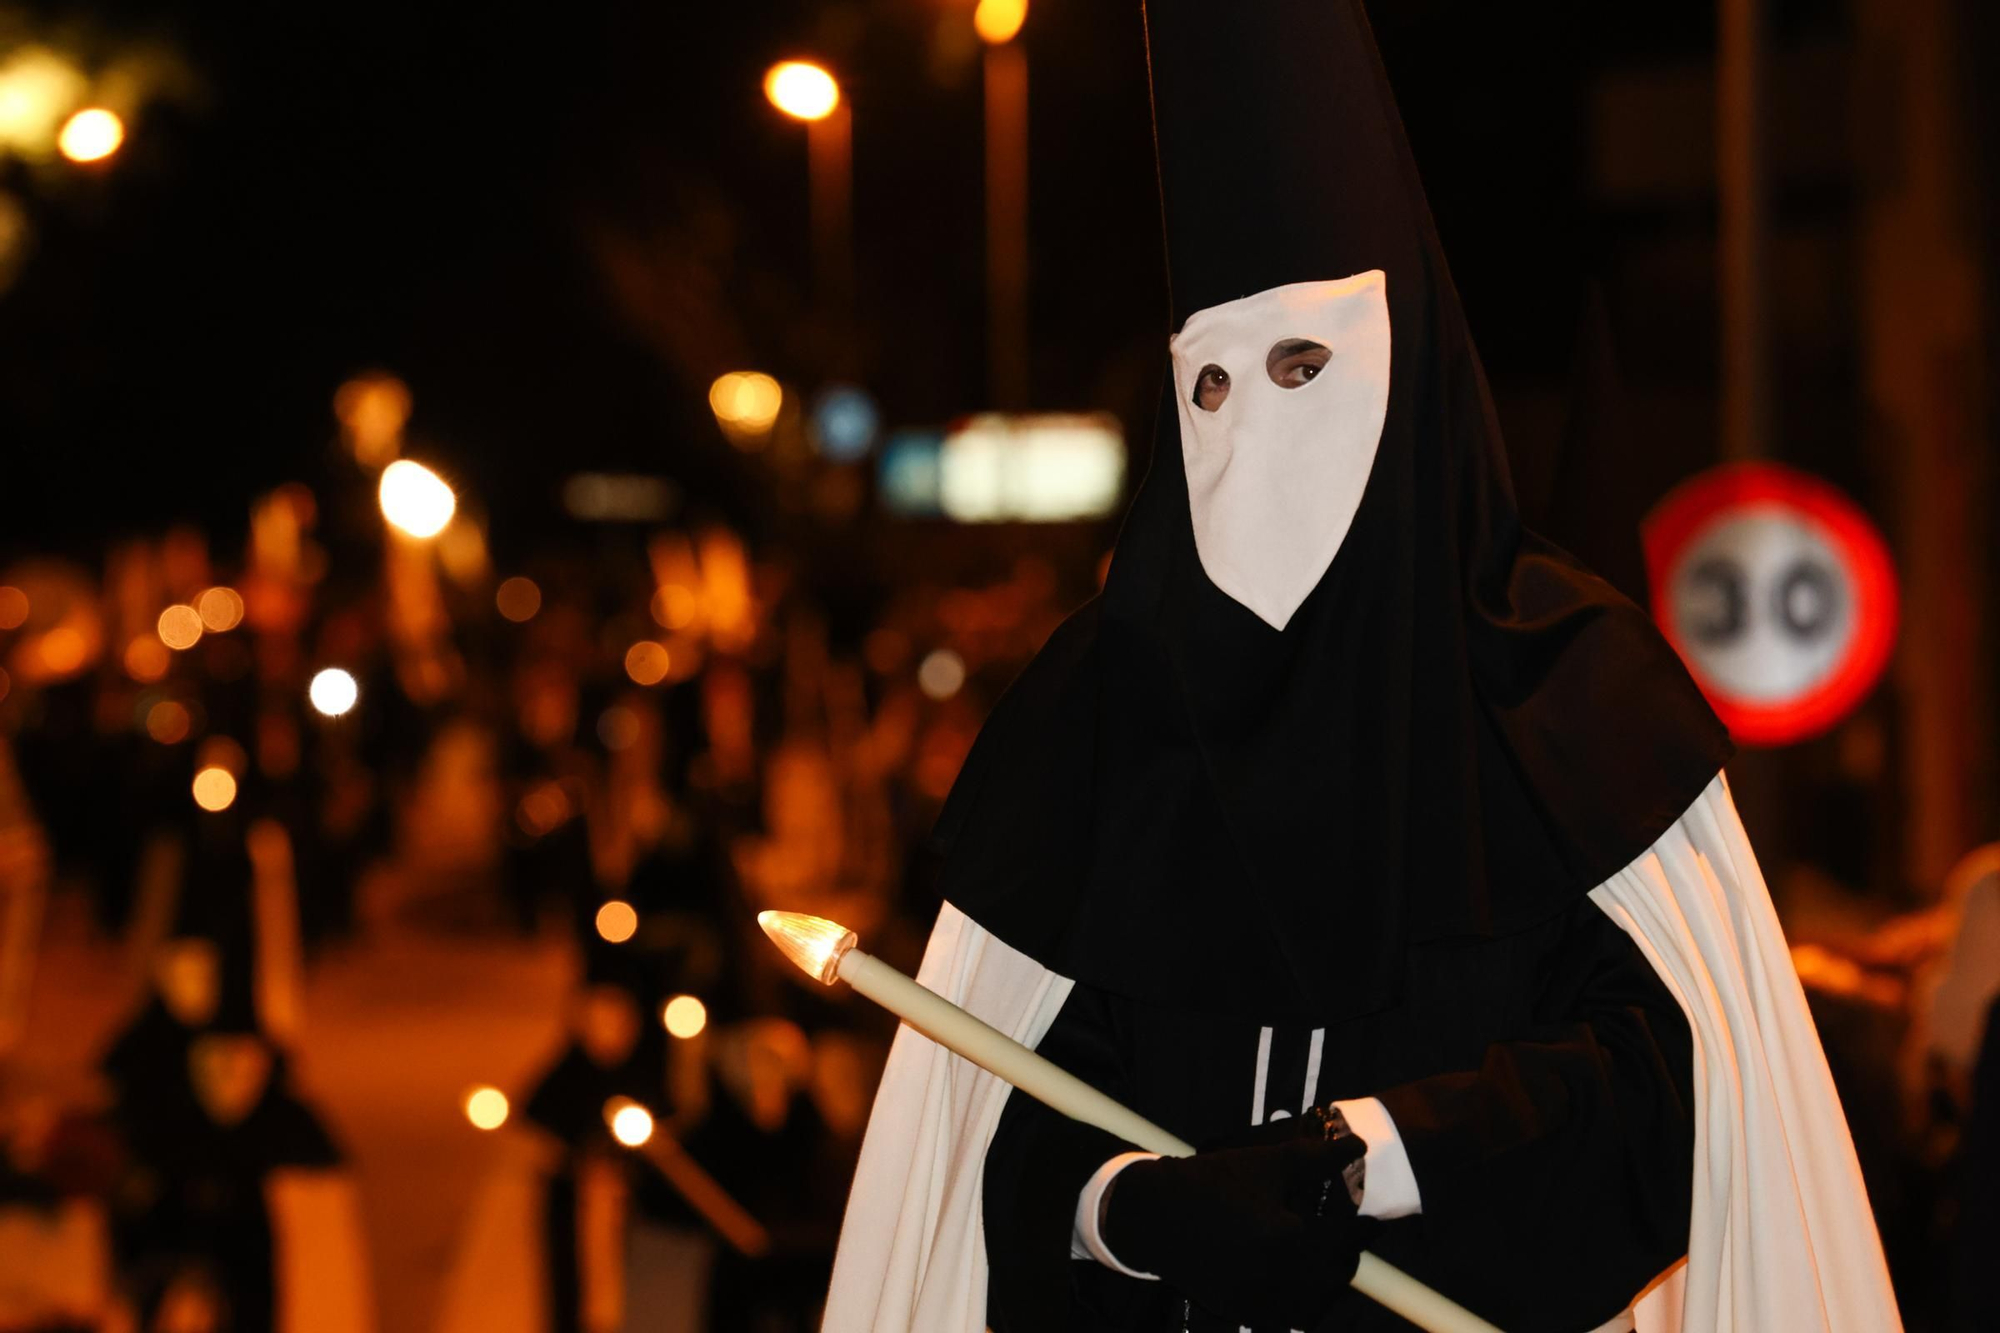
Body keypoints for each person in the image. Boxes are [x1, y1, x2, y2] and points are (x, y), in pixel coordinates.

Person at [821, 3, 1901, 1331]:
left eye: (1301, 362)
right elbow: (1009, 1116)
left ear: (1408, 378)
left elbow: (1659, 1082)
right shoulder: (1104, 717)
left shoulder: (1560, 700)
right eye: (1207, 386)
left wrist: (1370, 1153)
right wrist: (1127, 1207)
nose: (1247, 427)